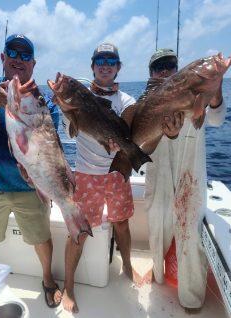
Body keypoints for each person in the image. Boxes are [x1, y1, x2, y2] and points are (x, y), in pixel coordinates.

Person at [142, 48, 226, 311]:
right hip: (159, 172)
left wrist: (215, 88)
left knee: (190, 231)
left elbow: (216, 118)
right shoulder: (149, 99)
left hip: (190, 173)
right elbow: (142, 143)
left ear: (178, 68)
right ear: (151, 74)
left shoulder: (196, 90)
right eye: (158, 67)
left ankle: (191, 296)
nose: (164, 70)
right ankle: (156, 275)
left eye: (170, 65)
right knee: (158, 225)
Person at [61, 43, 142, 313]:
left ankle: (128, 266)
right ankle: (69, 287)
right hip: (86, 175)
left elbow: (126, 132)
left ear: (119, 67)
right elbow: (70, 131)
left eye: (111, 60)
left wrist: (123, 148)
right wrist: (65, 111)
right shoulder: (78, 96)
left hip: (117, 173)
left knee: (122, 224)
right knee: (79, 233)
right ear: (93, 66)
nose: (105, 64)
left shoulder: (128, 102)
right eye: (100, 60)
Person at [0, 34, 61, 308]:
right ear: (3, 58)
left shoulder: (44, 101)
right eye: (13, 53)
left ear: (33, 64)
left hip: (30, 184)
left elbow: (50, 146)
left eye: (25, 56)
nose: (18, 60)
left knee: (40, 238)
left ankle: (47, 279)